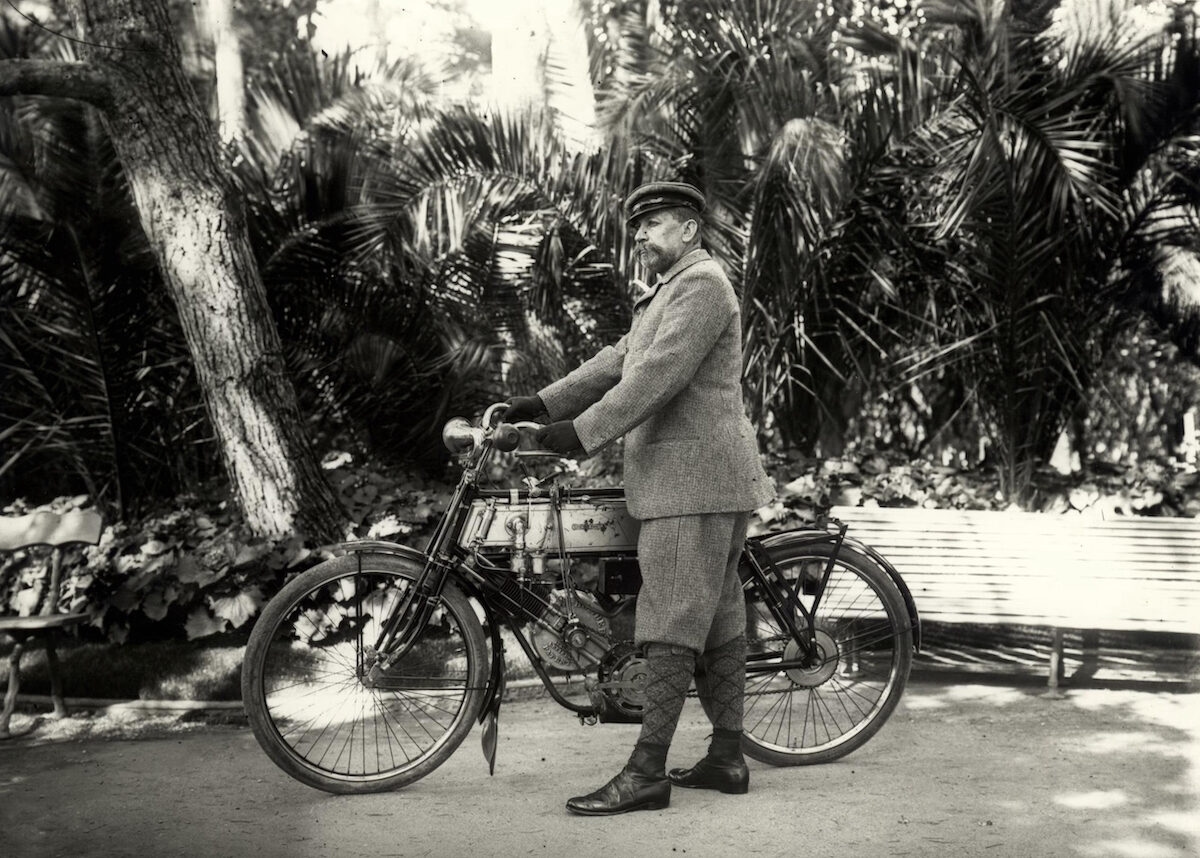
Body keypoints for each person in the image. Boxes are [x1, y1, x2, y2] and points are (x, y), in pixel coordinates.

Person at [504, 181, 775, 816]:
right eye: (640, 225)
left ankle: (646, 772)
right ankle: (727, 758)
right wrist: (542, 404)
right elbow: (615, 361)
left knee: (671, 620)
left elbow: (657, 377)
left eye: (654, 224)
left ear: (689, 230)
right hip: (696, 480)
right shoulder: (669, 291)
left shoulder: (703, 285)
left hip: (693, 481)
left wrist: (576, 434)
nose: (643, 235)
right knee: (717, 619)